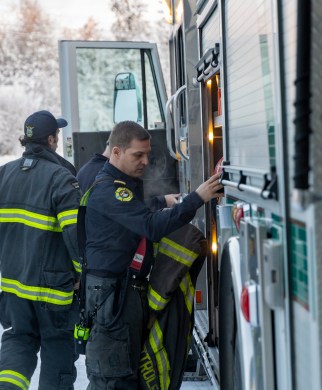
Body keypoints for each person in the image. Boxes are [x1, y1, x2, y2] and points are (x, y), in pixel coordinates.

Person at [82, 120, 223, 389]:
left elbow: (145, 217)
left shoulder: (123, 186)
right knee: (113, 378)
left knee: (127, 373)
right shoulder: (109, 190)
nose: (145, 161)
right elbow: (150, 226)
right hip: (111, 297)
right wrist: (197, 197)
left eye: (147, 154)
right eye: (138, 154)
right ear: (116, 152)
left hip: (120, 294)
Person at [0, 110, 81, 389]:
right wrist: (84, 274)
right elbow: (76, 236)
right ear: (51, 139)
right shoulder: (62, 178)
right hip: (53, 291)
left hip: (13, 286)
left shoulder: (4, 174)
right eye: (56, 134)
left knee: (18, 342)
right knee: (57, 350)